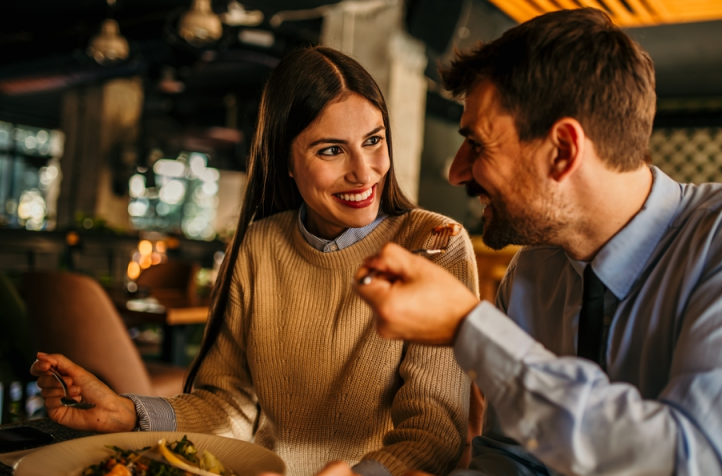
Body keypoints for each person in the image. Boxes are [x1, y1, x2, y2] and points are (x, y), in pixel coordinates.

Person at [350, 8, 722, 476]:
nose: (456, 171)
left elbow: (697, 462)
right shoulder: (531, 273)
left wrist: (468, 328)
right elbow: (514, 461)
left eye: (478, 144)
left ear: (563, 151)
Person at [31, 46, 477, 476]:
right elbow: (229, 405)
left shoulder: (436, 243)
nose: (364, 172)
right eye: (331, 150)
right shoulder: (258, 244)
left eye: (373, 141)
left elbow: (433, 431)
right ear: (285, 159)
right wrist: (126, 411)